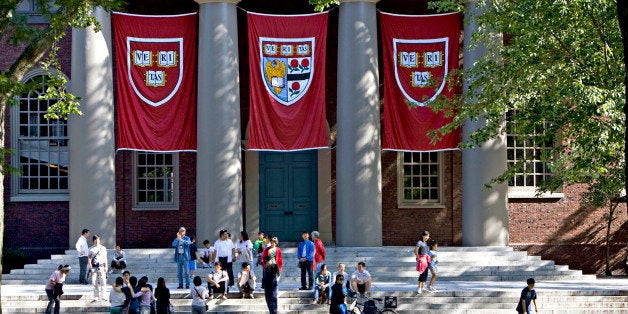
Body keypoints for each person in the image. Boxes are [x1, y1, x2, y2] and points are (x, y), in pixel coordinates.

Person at [88, 234, 108, 301]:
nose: (96, 241)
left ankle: (104, 296)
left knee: (103, 281)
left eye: (98, 239)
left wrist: (106, 266)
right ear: (93, 240)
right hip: (94, 267)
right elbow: (89, 258)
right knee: (94, 282)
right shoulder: (91, 248)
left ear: (99, 240)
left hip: (101, 266)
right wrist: (90, 266)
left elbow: (105, 258)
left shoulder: (103, 248)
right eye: (95, 239)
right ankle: (96, 296)